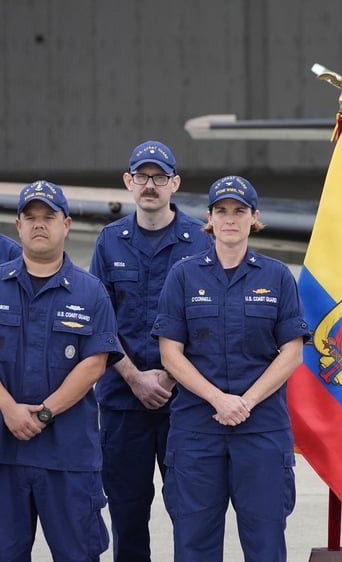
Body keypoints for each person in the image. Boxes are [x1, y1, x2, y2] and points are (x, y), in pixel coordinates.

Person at [152, 175, 308, 562]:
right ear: (209, 217)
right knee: (194, 542)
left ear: (255, 217)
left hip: (261, 428)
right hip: (197, 428)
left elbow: (292, 353)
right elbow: (170, 354)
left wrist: (246, 402)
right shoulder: (184, 275)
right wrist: (218, 399)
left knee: (265, 542)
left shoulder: (277, 277)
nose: (230, 219)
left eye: (239, 211)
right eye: (221, 211)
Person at [88, 140, 214, 561]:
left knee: (191, 514)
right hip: (124, 403)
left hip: (186, 406)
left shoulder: (200, 241)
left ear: (174, 183)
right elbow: (98, 322)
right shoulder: (110, 242)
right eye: (142, 176)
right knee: (127, 515)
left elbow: (209, 321)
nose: (150, 185)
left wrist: (170, 374)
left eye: (159, 177)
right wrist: (134, 377)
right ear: (128, 182)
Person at [0, 180, 122, 560]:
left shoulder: (91, 291)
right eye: (30, 217)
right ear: (17, 226)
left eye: (48, 217)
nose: (39, 224)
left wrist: (45, 411)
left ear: (66, 224)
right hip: (5, 455)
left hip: (69, 459)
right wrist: (8, 408)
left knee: (77, 554)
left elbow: (94, 364)